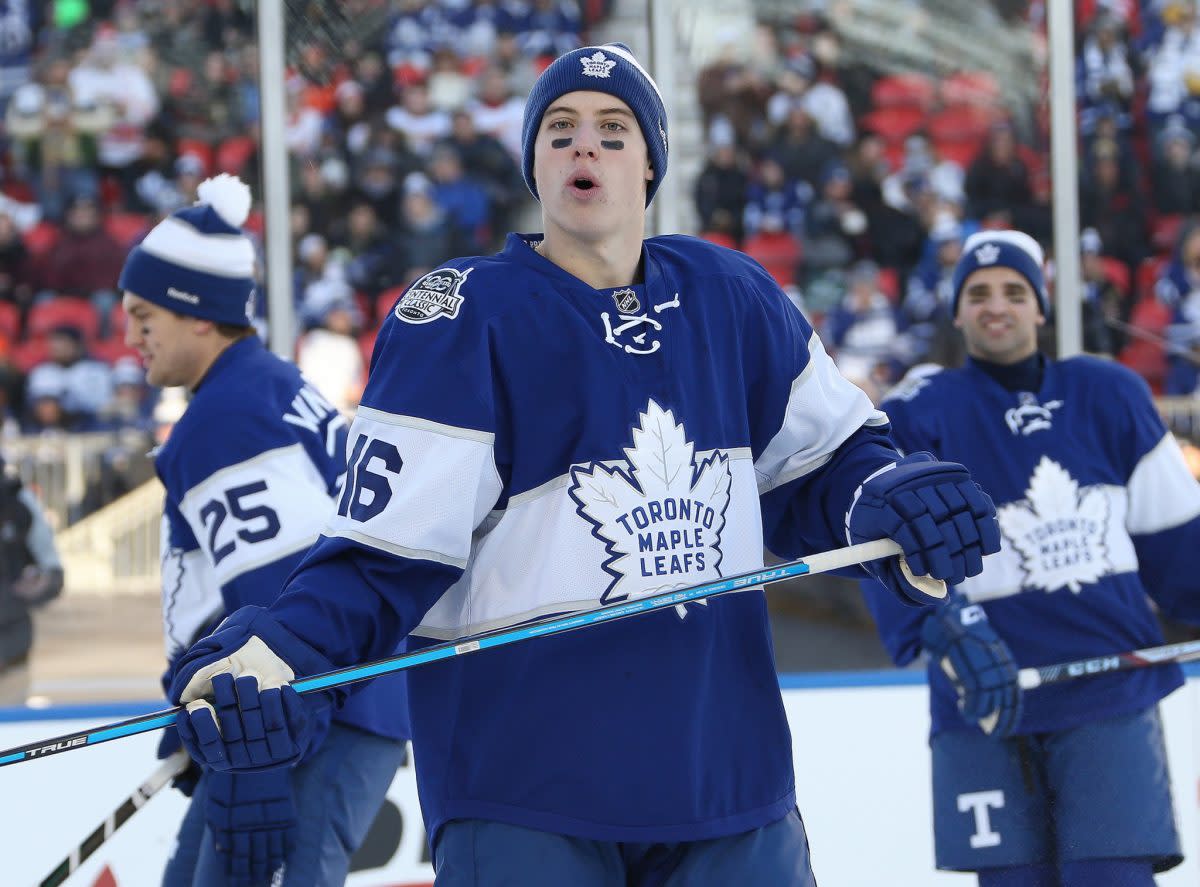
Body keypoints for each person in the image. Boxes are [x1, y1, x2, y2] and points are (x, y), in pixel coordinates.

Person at [164, 44, 1000, 885]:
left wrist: (887, 499)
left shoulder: (732, 297)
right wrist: (276, 652)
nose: (584, 146)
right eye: (559, 129)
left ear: (650, 162)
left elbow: (829, 464)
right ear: (533, 162)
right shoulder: (464, 316)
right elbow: (384, 557)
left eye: (612, 128)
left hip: (727, 781)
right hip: (525, 791)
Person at [860, 230, 1200, 887]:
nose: (997, 306)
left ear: (1040, 307)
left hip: (1110, 692)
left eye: (1015, 292)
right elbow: (881, 538)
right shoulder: (920, 411)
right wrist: (941, 624)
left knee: (1112, 877)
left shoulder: (1111, 393)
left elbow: (1179, 542)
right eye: (978, 293)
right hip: (986, 699)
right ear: (956, 311)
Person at [116, 173, 409, 886]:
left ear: (199, 315)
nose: (130, 337)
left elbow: (284, 590)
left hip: (302, 721)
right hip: (316, 710)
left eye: (144, 316)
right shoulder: (267, 383)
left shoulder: (223, 417)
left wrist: (260, 757)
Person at [0, 458, 62, 705]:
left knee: (10, 732)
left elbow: (53, 572)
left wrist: (39, 584)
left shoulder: (18, 500)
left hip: (11, 648)